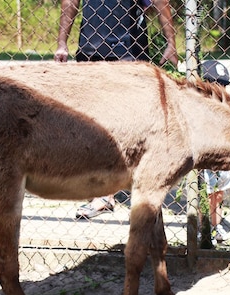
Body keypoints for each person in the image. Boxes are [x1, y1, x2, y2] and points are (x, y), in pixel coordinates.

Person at [54, 0, 178, 219]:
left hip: (127, 50)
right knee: (94, 122)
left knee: (130, 123)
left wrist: (171, 42)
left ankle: (124, 189)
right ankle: (105, 192)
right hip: (91, 48)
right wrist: (62, 42)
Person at [200, 60, 230, 244]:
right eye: (217, 85)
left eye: (224, 86)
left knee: (219, 194)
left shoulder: (227, 107)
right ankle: (203, 227)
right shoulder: (199, 105)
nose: (222, 90)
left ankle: (216, 226)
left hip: (222, 160)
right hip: (204, 160)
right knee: (205, 194)